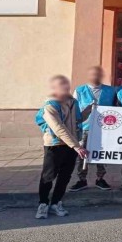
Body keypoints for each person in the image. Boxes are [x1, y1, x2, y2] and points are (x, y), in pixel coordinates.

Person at [34, 75, 88, 219]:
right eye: (61, 85)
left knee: (65, 176)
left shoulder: (73, 102)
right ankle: (43, 204)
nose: (65, 87)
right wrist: (77, 146)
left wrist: (89, 110)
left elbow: (76, 120)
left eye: (66, 84)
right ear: (54, 88)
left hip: (71, 145)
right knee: (48, 176)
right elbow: (59, 128)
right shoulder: (50, 105)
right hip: (55, 145)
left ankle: (56, 203)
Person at [70, 66, 116, 192]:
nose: (95, 76)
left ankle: (100, 178)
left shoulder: (110, 91)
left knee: (101, 153)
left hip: (104, 129)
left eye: (97, 74)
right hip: (85, 128)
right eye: (92, 74)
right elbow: (74, 110)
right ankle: (82, 179)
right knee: (82, 154)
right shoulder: (80, 90)